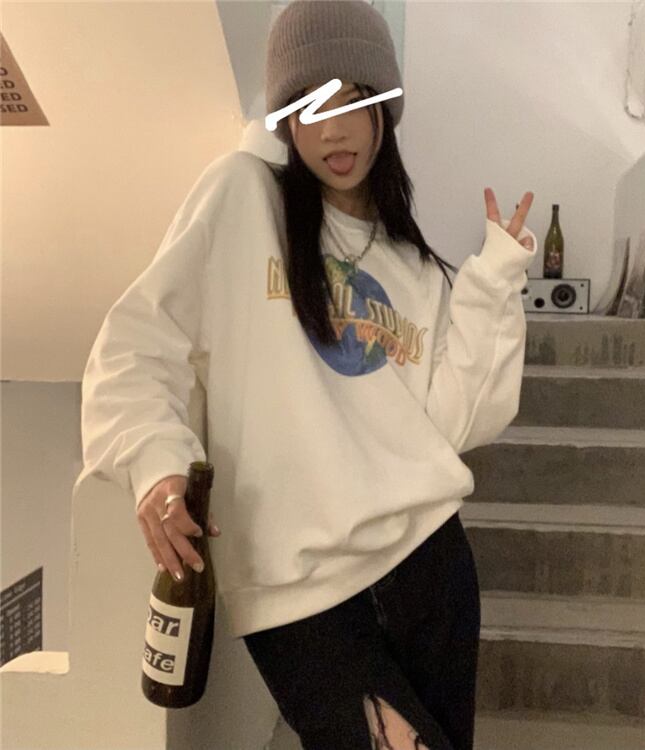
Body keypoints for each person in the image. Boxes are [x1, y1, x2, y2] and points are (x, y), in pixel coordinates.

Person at [77, 1, 537, 747]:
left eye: (353, 100)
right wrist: (156, 466)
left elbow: (455, 423)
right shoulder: (241, 197)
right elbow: (137, 342)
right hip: (297, 595)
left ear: (384, 109)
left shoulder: (415, 268)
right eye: (310, 105)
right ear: (287, 118)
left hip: (429, 561)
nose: (333, 129)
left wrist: (492, 285)